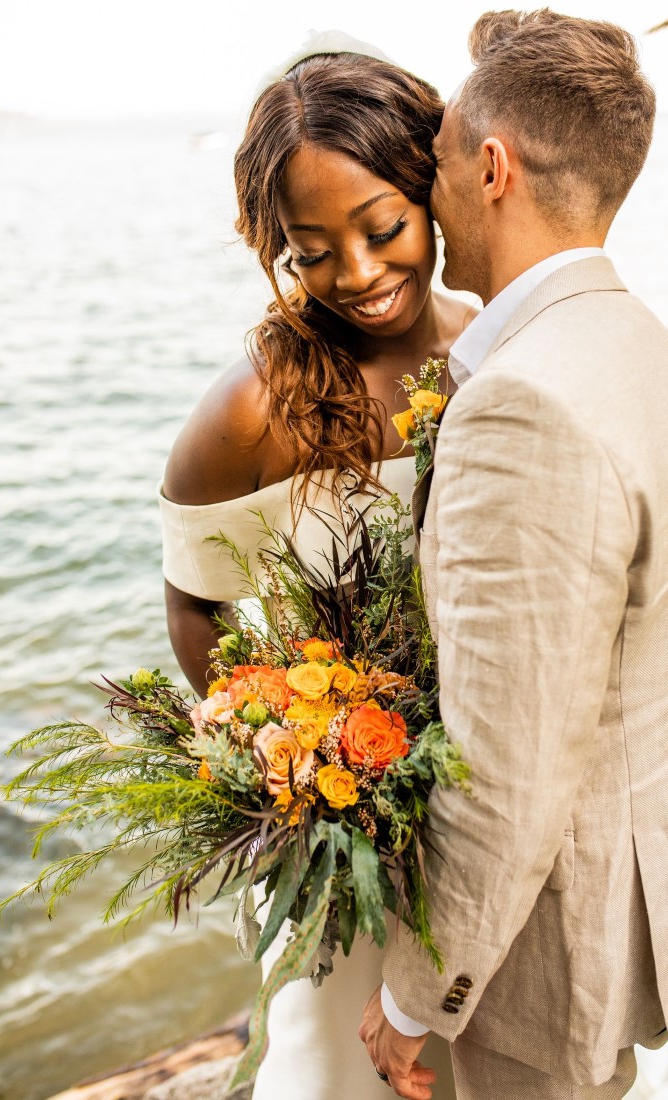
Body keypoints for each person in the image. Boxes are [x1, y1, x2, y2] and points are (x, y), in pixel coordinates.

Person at [360, 10, 668, 1100]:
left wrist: (413, 997)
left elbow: (502, 768)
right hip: (657, 879)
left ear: (491, 166)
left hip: (553, 945)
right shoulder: (644, 343)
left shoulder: (522, 402)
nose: (426, 196)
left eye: (431, 167)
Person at [158, 42, 475, 1100]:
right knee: (333, 1068)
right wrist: (286, 749)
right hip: (347, 829)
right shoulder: (249, 411)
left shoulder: (489, 355)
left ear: (434, 187)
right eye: (310, 250)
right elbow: (195, 598)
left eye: (381, 227)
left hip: (486, 800)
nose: (357, 272)